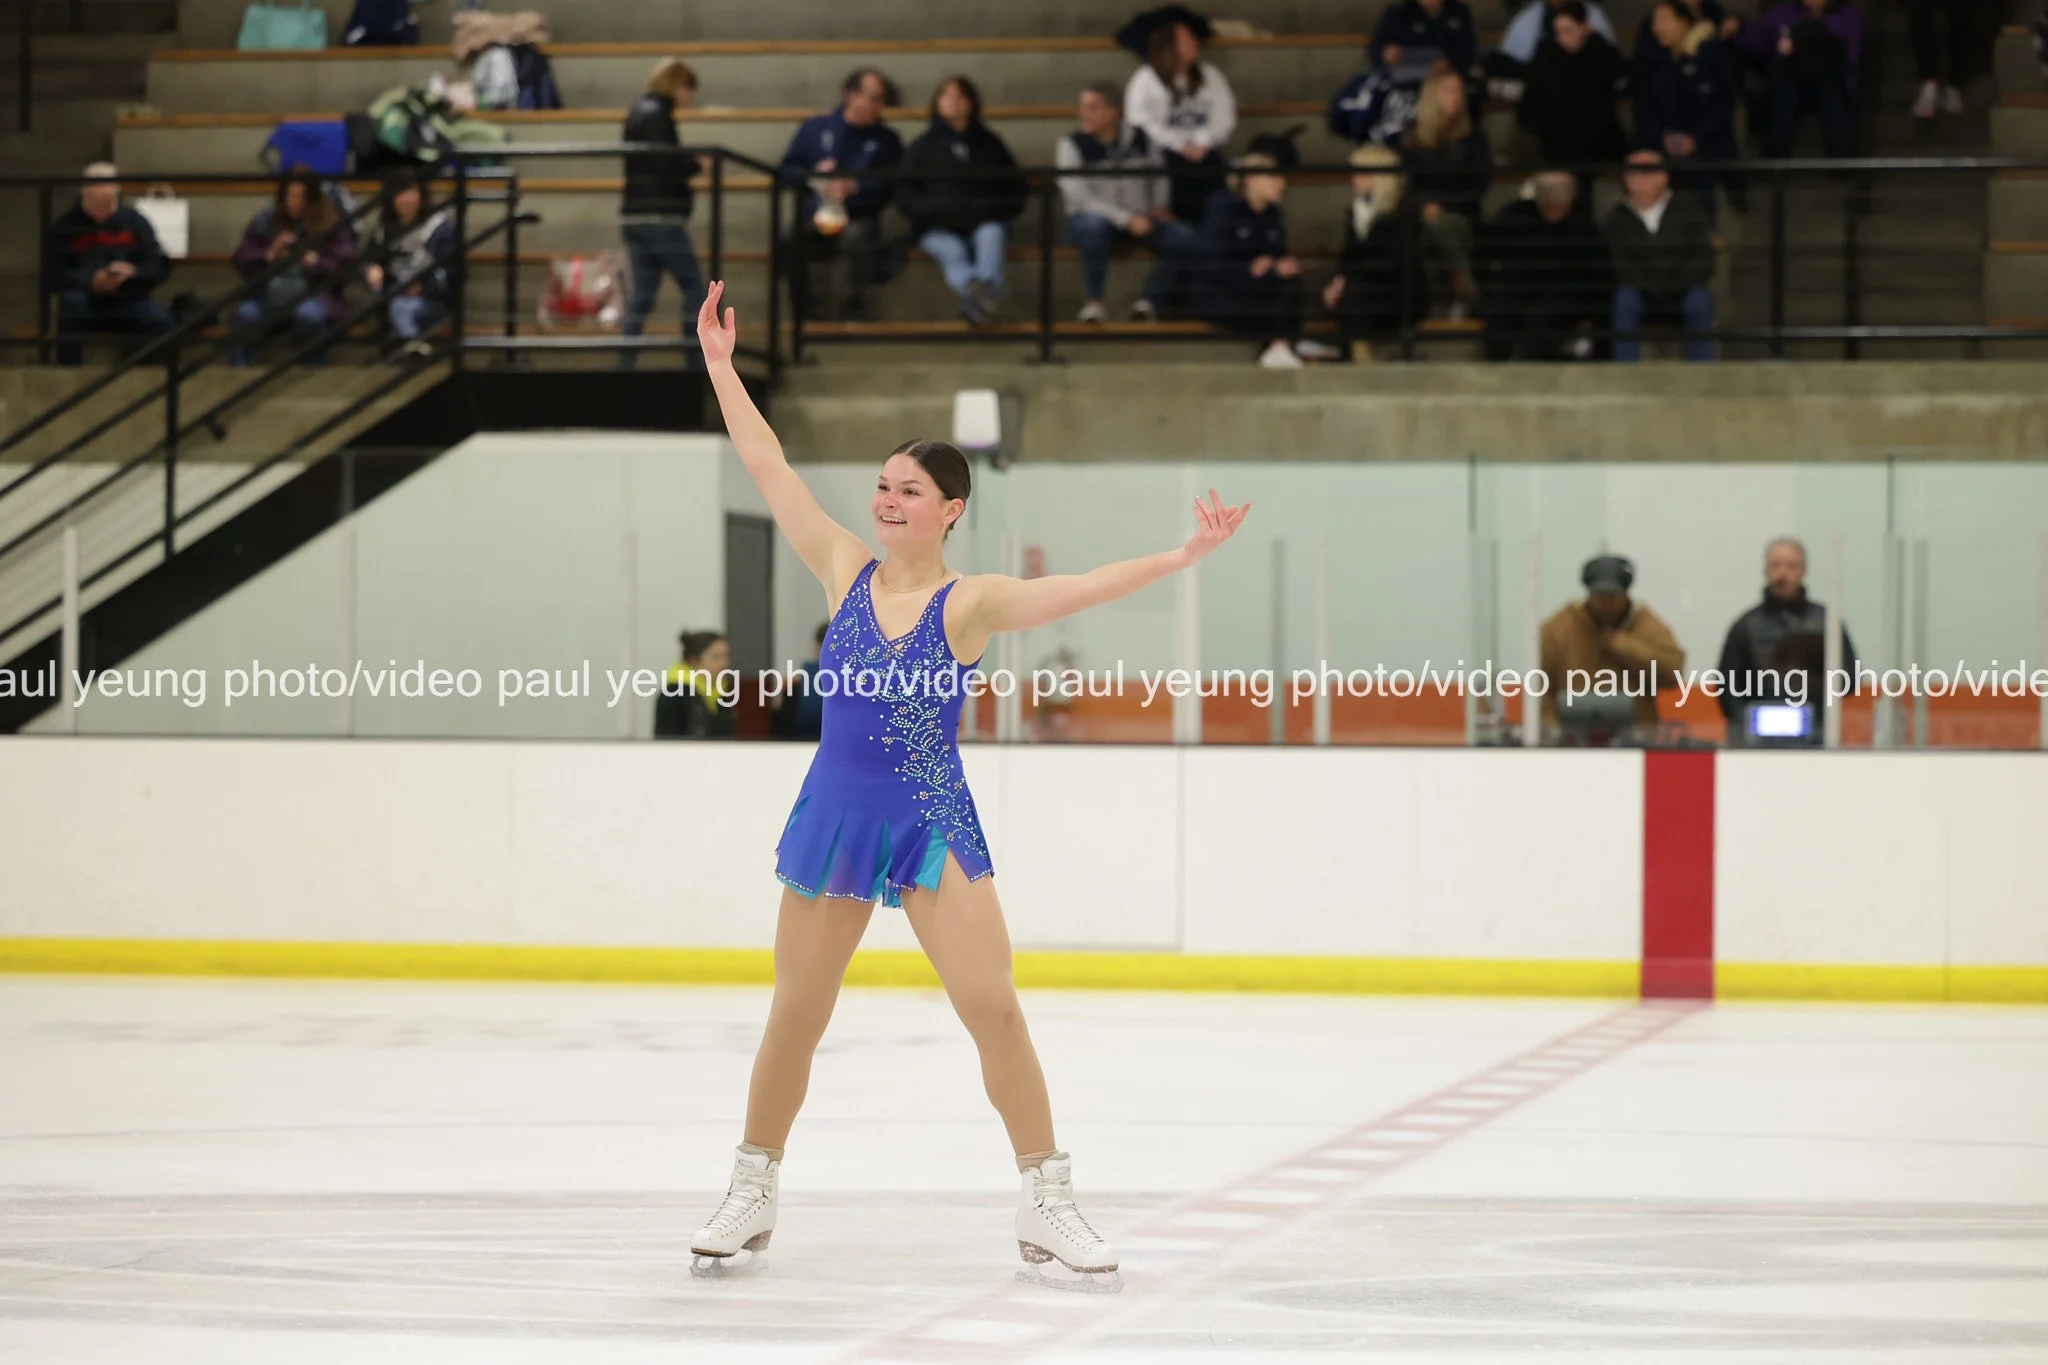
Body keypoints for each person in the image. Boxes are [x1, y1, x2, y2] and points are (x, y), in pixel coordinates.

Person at [685, 276, 1249, 1290]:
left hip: (931, 819)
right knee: (795, 1012)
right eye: (882, 484)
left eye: (908, 490)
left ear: (950, 510)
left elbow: (1074, 589)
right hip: (836, 815)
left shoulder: (969, 603)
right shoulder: (842, 569)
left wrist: (1180, 556)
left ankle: (1046, 1198)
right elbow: (768, 466)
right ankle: (751, 1187)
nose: (886, 500)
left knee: (993, 1006)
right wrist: (722, 367)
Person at [1056, 80, 1200, 323]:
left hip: (1141, 217)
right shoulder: (1071, 145)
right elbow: (1079, 197)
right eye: (1082, 107)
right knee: (1093, 226)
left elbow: (1159, 173)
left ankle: (1149, 302)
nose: (1083, 114)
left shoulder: (1142, 138)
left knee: (1186, 237)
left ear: (1114, 111)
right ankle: (1094, 303)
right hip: (1094, 220)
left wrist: (1158, 206)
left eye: (1092, 107)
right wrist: (1125, 219)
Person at [896, 76, 1029, 326]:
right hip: (937, 226)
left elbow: (1015, 187)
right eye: (946, 96)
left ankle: (977, 302)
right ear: (937, 103)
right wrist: (930, 213)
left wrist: (993, 211)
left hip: (983, 221)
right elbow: (905, 192)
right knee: (951, 250)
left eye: (959, 96)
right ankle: (976, 292)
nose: (953, 102)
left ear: (971, 103)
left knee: (992, 236)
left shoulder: (990, 144)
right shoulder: (921, 147)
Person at [778, 68, 904, 322]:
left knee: (857, 237)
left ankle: (852, 309)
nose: (876, 105)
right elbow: (786, 171)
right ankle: (806, 312)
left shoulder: (888, 140)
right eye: (871, 97)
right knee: (790, 238)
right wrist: (815, 177)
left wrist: (855, 186)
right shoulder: (815, 129)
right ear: (851, 95)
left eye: (880, 99)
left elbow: (893, 183)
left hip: (859, 216)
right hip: (816, 213)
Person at [1714, 536, 1856, 738]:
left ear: (1803, 571)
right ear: (1766, 570)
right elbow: (1727, 688)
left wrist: (1816, 689)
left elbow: (1849, 677)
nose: (1783, 573)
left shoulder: (1827, 623)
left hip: (1816, 734)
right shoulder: (1745, 626)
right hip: (1756, 738)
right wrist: (1746, 725)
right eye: (1776, 565)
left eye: (1791, 566)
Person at [1195, 141, 1320, 368]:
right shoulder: (1223, 210)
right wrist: (1250, 269)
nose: (1282, 184)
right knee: (1279, 296)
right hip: (1224, 295)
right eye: (1273, 177)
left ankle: (1281, 347)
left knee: (1291, 283)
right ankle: (1283, 345)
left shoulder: (1273, 215)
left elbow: (1277, 258)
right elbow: (1214, 265)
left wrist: (1279, 266)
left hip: (1261, 291)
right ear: (1251, 180)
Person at [1538, 553, 1685, 741]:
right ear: (1589, 593)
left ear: (1625, 593)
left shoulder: (1646, 625)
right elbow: (1540, 690)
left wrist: (1622, 645)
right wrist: (1553, 734)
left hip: (1636, 741)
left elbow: (1673, 672)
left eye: (1613, 595)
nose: (1606, 602)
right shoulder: (1558, 630)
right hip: (1571, 743)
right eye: (1600, 595)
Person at [619, 56, 707, 369]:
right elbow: (665, 164)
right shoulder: (658, 116)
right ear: (677, 85)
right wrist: (695, 165)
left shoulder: (638, 112)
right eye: (688, 89)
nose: (689, 97)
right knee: (695, 288)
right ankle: (695, 364)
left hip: (634, 214)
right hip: (661, 215)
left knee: (642, 295)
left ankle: (624, 366)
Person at [1477, 171, 1613, 360]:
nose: (1555, 206)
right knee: (1499, 314)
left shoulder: (1583, 224)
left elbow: (1598, 273)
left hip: (1566, 297)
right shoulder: (1513, 216)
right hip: (1517, 291)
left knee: (1542, 318)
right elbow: (1484, 255)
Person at [48, 162, 172, 366]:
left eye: (107, 201)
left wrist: (132, 272)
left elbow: (157, 266)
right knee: (71, 305)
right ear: (84, 192)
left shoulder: (136, 222)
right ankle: (68, 373)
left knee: (160, 320)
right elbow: (53, 275)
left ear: (117, 192)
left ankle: (134, 371)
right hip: (84, 301)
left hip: (127, 299)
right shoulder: (66, 227)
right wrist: (91, 280)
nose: (101, 212)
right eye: (95, 201)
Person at [230, 170, 357, 367]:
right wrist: (268, 254)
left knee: (308, 315)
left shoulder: (330, 224)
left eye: (302, 197)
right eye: (291, 196)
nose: (295, 202)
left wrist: (316, 262)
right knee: (246, 314)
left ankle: (313, 368)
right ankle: (239, 370)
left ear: (313, 198)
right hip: (267, 296)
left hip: (314, 295)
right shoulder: (264, 223)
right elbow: (240, 259)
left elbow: (346, 265)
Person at [1123, 19, 1238, 225]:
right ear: (1169, 45)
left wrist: (1202, 141)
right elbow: (1139, 122)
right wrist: (1179, 144)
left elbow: (1225, 115)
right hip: (1164, 155)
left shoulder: (1210, 75)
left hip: (1205, 153)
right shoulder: (1146, 78)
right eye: (1187, 39)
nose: (1195, 42)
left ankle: (1212, 229)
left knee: (1210, 171)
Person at [1605, 149, 1716, 361]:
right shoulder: (1617, 218)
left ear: (1663, 177)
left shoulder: (1688, 207)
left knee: (1700, 301)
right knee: (1624, 301)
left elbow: (1703, 257)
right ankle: (1624, 374)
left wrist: (1673, 284)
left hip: (1682, 289)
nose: (1638, 179)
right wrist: (1651, 287)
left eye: (1645, 172)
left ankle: (1702, 372)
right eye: (1632, 172)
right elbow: (1619, 265)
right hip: (1641, 293)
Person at [1633, 0, 1742, 214]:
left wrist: (1695, 138)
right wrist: (1663, 136)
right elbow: (1643, 110)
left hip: (1707, 143)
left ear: (1683, 22)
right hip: (1663, 144)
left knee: (1701, 169)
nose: (1657, 29)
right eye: (1655, 22)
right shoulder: (1653, 62)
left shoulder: (1712, 55)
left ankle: (1712, 225)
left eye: (1664, 21)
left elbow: (1723, 107)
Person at [1322, 144, 1428, 361]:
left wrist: (1348, 281)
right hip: (1363, 294)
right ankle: (1355, 357)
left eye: (1360, 174)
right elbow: (1348, 256)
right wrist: (1336, 281)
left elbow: (1393, 262)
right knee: (1346, 297)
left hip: (1398, 294)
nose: (1354, 179)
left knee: (1354, 296)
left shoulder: (1404, 211)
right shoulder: (1357, 211)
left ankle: (1360, 361)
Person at [1402, 66, 1491, 319]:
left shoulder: (1473, 138)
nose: (1456, 97)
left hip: (1462, 213)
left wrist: (1440, 206)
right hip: (1420, 213)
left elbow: (1479, 185)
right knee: (1421, 227)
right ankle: (1455, 287)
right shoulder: (1413, 138)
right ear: (1433, 95)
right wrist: (1425, 205)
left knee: (1445, 225)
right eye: (1449, 91)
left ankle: (1458, 290)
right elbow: (1407, 184)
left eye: (1459, 92)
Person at [1733, 0, 1864, 159]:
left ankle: (1842, 163)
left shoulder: (1848, 17)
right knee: (1781, 104)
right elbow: (1756, 44)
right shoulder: (1782, 14)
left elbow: (1854, 59)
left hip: (1831, 83)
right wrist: (1738, 28)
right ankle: (1775, 163)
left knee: (1836, 106)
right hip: (1789, 82)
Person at [1516, 2, 1631, 181]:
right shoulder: (1545, 58)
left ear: (1583, 28)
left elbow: (1622, 75)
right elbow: (1528, 110)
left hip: (1600, 144)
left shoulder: (1600, 52)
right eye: (1558, 32)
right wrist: (1550, 129)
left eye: (1568, 30)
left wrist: (1596, 41)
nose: (1562, 38)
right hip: (1558, 147)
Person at [360, 171, 454, 355]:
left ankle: (412, 348)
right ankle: (410, 348)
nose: (406, 200)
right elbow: (368, 259)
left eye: (412, 193)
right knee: (392, 303)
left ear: (422, 196)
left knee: (400, 307)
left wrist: (424, 284)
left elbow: (451, 271)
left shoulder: (439, 227)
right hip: (395, 294)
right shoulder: (384, 229)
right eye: (400, 194)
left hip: (433, 301)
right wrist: (372, 268)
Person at [1496, 0, 1618, 75]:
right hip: (1539, 88)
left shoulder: (1593, 15)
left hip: (1584, 89)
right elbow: (1507, 57)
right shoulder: (1528, 16)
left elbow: (1612, 66)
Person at [1371, 0, 1480, 83]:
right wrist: (1386, 54)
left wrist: (1449, 64)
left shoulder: (1460, 13)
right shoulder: (1397, 13)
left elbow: (1469, 53)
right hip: (1404, 81)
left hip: (1446, 82)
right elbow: (1374, 50)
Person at [653, 630, 735, 739]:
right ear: (694, 660)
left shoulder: (720, 692)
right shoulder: (674, 694)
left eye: (726, 656)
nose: (724, 663)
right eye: (716, 657)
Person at [770, 622, 829, 741]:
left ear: (816, 647)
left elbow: (782, 728)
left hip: (799, 742)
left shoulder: (796, 686)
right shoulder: (855, 684)